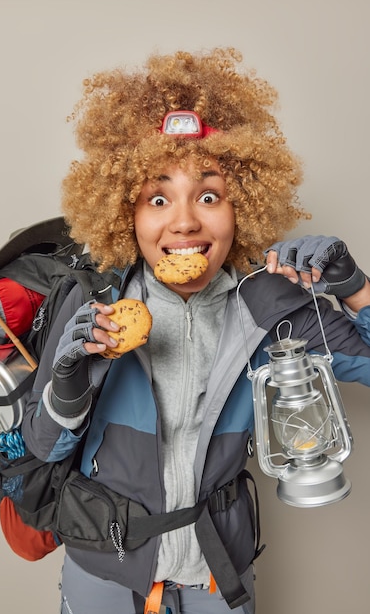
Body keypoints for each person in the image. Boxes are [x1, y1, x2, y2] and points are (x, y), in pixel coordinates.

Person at [21, 47, 370, 614]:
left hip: (218, 570)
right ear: (125, 212)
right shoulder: (96, 301)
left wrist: (355, 286)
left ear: (244, 209)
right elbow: (44, 444)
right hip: (104, 573)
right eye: (158, 197)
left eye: (210, 196)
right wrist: (67, 378)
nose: (184, 221)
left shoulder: (275, 308)